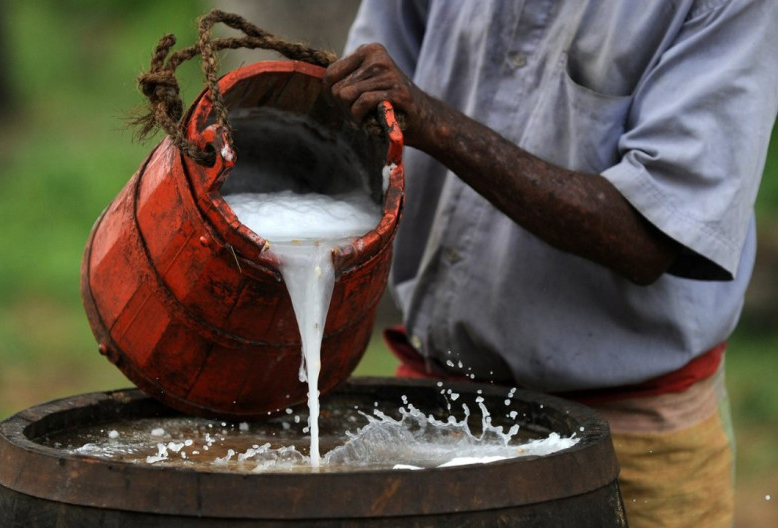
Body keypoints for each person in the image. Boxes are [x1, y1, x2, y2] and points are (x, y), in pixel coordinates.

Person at [325, 1, 777, 526]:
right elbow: (357, 107)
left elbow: (648, 235)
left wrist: (435, 124)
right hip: (432, 416)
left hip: (624, 444)